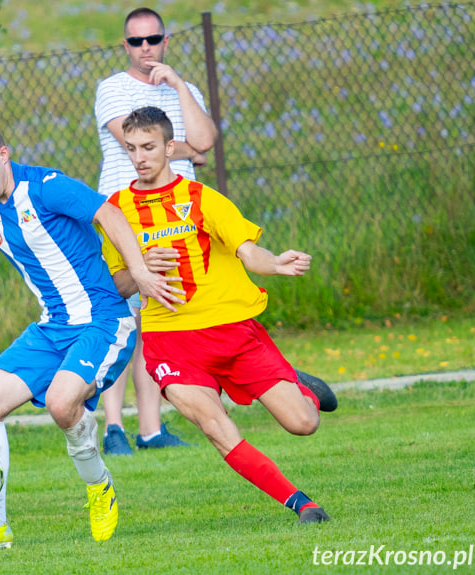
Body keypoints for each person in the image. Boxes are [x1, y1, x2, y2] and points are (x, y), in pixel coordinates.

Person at [0, 119, 183, 553]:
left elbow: (108, 213)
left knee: (60, 404)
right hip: (53, 327)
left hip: (103, 320)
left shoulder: (47, 187)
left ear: (3, 155)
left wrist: (140, 271)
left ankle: (99, 484)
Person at [100, 107, 335, 524]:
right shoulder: (116, 211)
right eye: (131, 148)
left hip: (231, 330)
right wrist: (140, 270)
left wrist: (276, 263)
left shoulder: (202, 198)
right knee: (214, 425)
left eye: (149, 147)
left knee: (303, 423)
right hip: (170, 340)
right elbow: (112, 287)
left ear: (170, 148)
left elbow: (248, 251)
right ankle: (304, 506)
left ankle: (302, 387)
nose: (140, 157)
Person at [94, 7, 218, 455]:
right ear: (124, 46)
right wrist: (184, 151)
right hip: (125, 210)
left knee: (155, 319)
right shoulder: (112, 89)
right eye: (136, 42)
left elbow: (205, 141)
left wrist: (180, 87)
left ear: (166, 41)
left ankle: (150, 429)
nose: (145, 49)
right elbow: (133, 141)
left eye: (153, 39)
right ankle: (113, 427)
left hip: (175, 213)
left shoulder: (185, 90)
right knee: (123, 314)